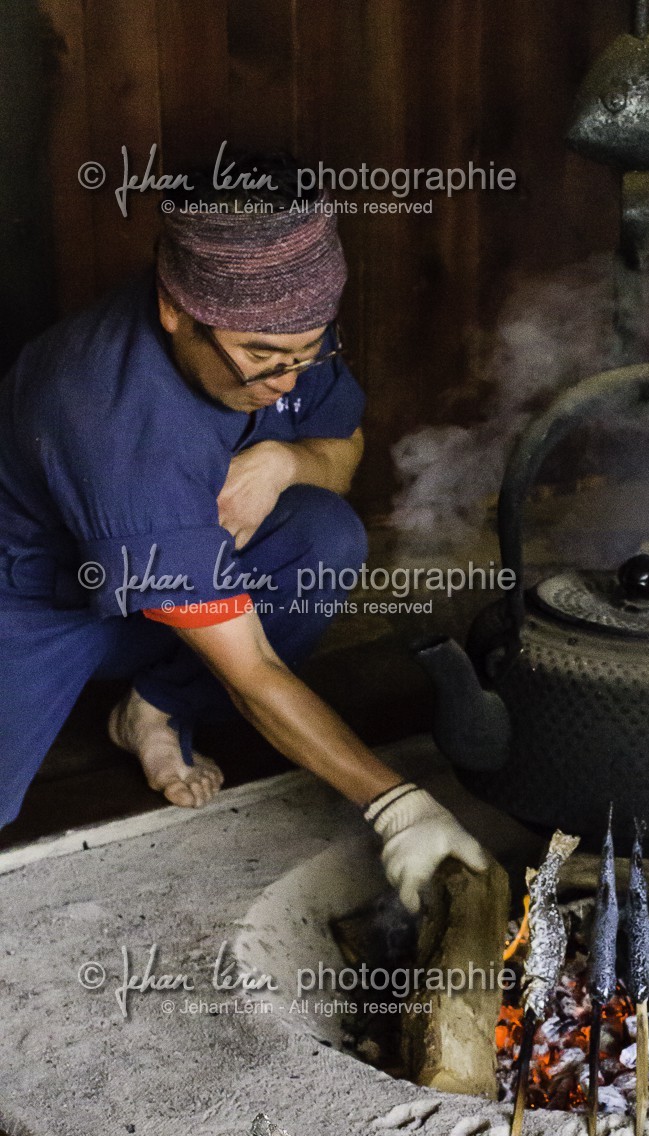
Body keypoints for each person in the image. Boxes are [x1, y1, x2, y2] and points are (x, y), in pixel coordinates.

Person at [0, 164, 487, 911]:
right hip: (32, 599)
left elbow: (345, 450)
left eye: (308, 351)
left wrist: (285, 459)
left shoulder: (285, 340)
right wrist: (399, 808)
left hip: (163, 564)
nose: (288, 381)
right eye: (262, 356)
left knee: (321, 534)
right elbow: (251, 665)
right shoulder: (115, 416)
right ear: (173, 310)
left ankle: (154, 708)